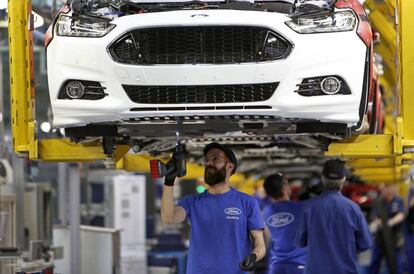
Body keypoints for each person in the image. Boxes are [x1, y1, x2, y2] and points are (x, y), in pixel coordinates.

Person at [160, 142, 266, 274]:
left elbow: (259, 243)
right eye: (207, 160)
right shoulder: (192, 202)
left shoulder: (247, 202)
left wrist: (254, 256)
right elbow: (168, 217)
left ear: (230, 166)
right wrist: (169, 182)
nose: (209, 163)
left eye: (215, 158)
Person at [294, 159, 373, 274]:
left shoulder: (308, 208)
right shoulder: (353, 208)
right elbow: (365, 243)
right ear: (343, 180)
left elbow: (300, 242)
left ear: (322, 179)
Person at [263, 173, 306, 274]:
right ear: (284, 188)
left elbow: (267, 241)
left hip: (276, 266)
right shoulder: (302, 208)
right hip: (298, 265)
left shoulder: (265, 212)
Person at [368, 184, 405, 274]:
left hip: (394, 240)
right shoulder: (378, 202)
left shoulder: (399, 201)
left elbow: (401, 215)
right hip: (380, 239)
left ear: (393, 188)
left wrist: (390, 222)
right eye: (383, 187)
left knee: (395, 265)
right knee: (374, 263)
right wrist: (379, 223)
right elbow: (375, 218)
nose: (383, 189)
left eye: (386, 187)